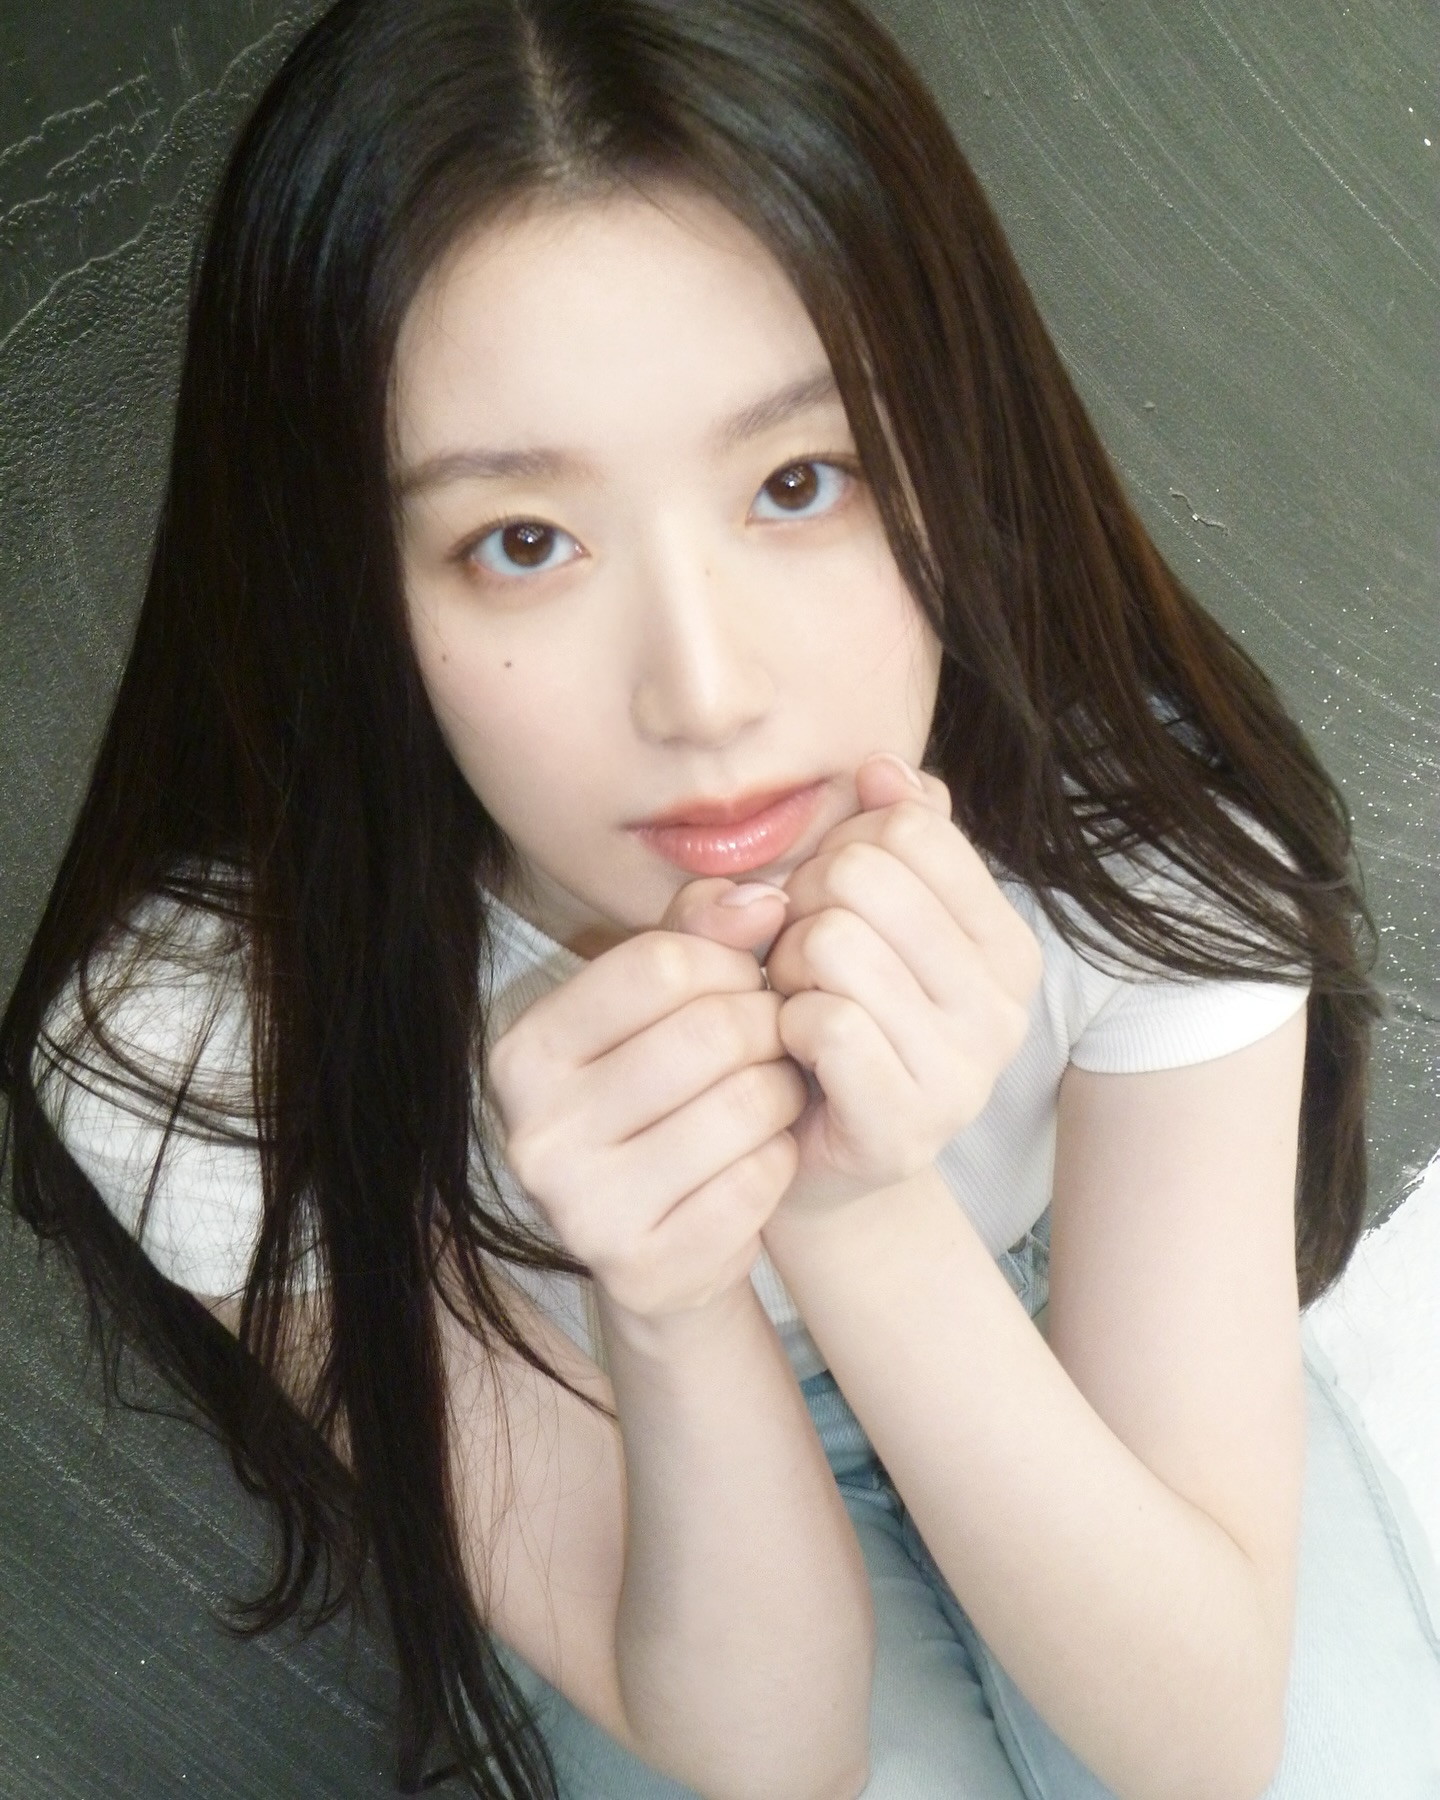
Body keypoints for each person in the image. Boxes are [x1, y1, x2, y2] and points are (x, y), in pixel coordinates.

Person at [3, 0, 1437, 1794]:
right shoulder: (211, 1034)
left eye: (797, 482)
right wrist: (670, 1304)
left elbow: (1200, 1745)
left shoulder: (1134, 823)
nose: (703, 692)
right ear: (353, 584)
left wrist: (860, 1208)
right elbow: (764, 1756)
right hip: (647, 1456)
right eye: (524, 541)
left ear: (949, 448)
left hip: (1052, 1327)